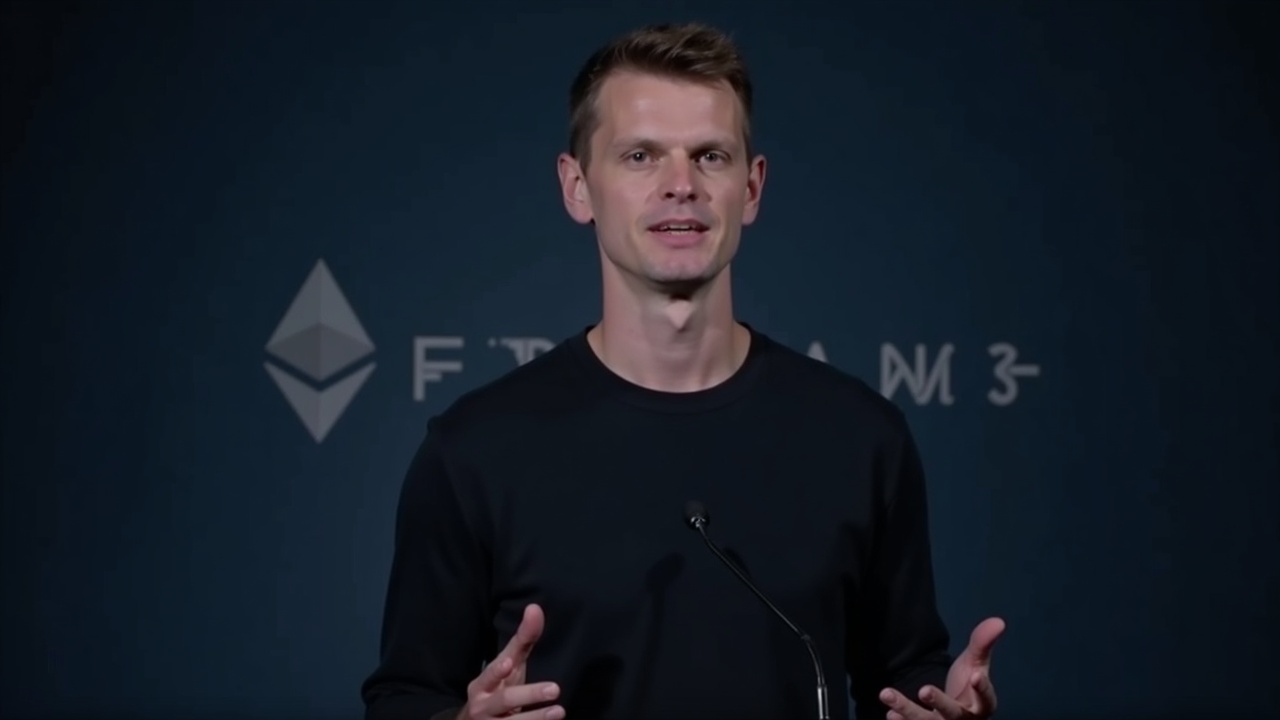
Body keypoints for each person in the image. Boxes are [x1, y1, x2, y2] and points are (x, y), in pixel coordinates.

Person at [361, 22, 1004, 720]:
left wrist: (940, 705)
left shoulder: (862, 437)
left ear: (751, 189)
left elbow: (902, 675)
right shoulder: (473, 452)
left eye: (711, 157)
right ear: (577, 187)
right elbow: (403, 696)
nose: (680, 186)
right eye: (640, 156)